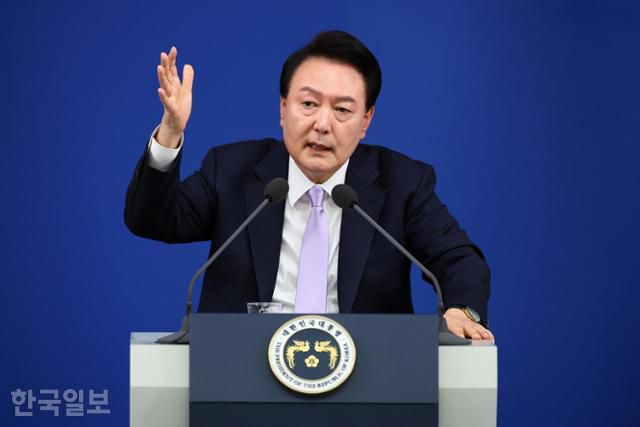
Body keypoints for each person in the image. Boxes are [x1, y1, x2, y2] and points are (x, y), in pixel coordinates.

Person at [125, 31, 494, 341]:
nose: (322, 124)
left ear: (366, 121)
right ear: (283, 108)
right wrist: (170, 132)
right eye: (309, 103)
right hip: (239, 372)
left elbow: (459, 260)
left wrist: (462, 310)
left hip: (367, 377)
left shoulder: (402, 182)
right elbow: (152, 219)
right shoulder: (232, 170)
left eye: (342, 110)